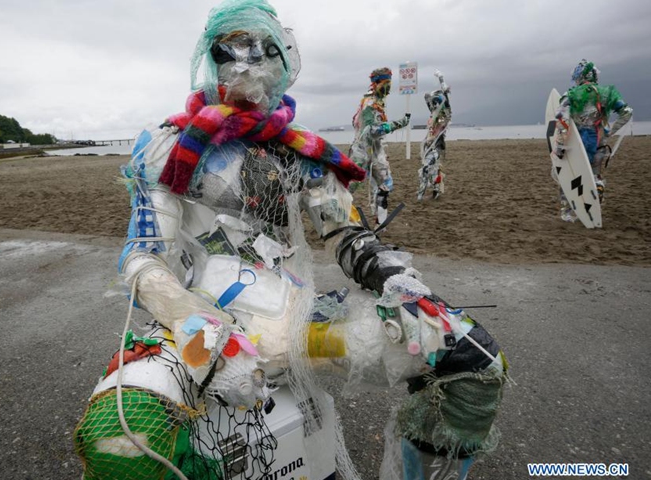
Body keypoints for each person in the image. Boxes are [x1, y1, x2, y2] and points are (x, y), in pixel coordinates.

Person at [74, 2, 507, 479]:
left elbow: (346, 233)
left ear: (283, 61)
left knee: (472, 359)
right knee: (120, 434)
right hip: (199, 324)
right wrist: (201, 326)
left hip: (300, 328)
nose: (244, 62)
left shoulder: (301, 151)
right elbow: (143, 258)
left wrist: (398, 278)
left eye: (261, 50)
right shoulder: (168, 147)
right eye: (229, 49)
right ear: (209, 57)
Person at [553, 59, 632, 222]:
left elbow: (561, 117)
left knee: (568, 175)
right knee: (593, 174)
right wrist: (611, 131)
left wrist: (560, 144)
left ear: (579, 76)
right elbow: (627, 112)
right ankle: (595, 199)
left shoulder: (571, 94)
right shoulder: (607, 93)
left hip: (575, 144)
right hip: (598, 141)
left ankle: (567, 212)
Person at [349, 67, 411, 224]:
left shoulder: (376, 102)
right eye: (385, 84)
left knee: (385, 183)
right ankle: (337, 214)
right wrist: (397, 124)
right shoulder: (370, 103)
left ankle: (380, 220)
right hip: (362, 151)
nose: (388, 88)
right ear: (376, 83)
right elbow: (371, 130)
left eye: (390, 84)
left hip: (375, 151)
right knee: (351, 186)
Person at [417, 71, 451, 201]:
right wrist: (427, 97)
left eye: (436, 102)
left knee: (427, 167)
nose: (434, 105)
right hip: (428, 145)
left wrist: (441, 78)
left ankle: (424, 193)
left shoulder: (445, 116)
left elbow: (446, 95)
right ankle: (434, 190)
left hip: (436, 146)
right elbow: (427, 101)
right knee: (430, 168)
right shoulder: (433, 114)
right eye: (433, 103)